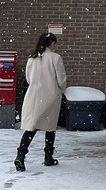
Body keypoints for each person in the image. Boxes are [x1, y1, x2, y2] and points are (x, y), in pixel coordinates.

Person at [14, 33, 67, 172]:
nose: (56, 46)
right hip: (51, 95)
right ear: (51, 43)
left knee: (32, 127)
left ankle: (21, 154)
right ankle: (48, 157)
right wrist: (61, 89)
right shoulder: (56, 58)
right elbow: (61, 79)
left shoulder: (32, 59)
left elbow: (28, 78)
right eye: (55, 43)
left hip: (34, 95)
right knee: (50, 127)